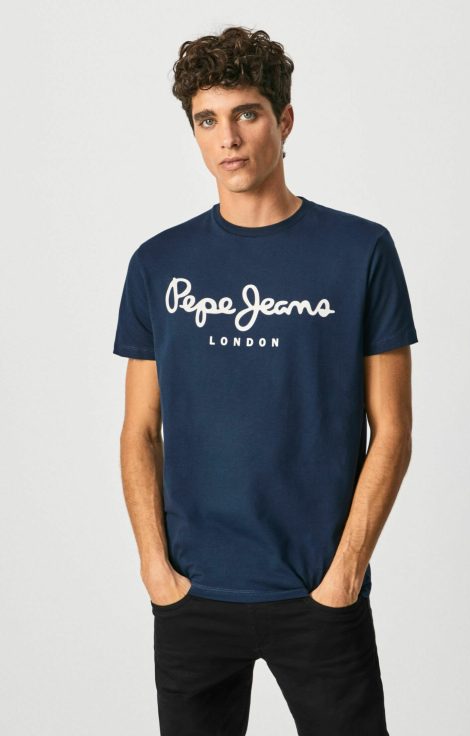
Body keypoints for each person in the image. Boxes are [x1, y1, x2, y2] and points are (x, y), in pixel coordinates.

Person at [113, 25, 418, 736]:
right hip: (193, 596)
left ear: (284, 119)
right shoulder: (158, 264)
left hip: (319, 594)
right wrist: (156, 568)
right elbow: (139, 430)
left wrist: (345, 574)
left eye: (246, 113)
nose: (228, 138)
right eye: (207, 120)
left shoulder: (360, 250)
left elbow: (393, 430)